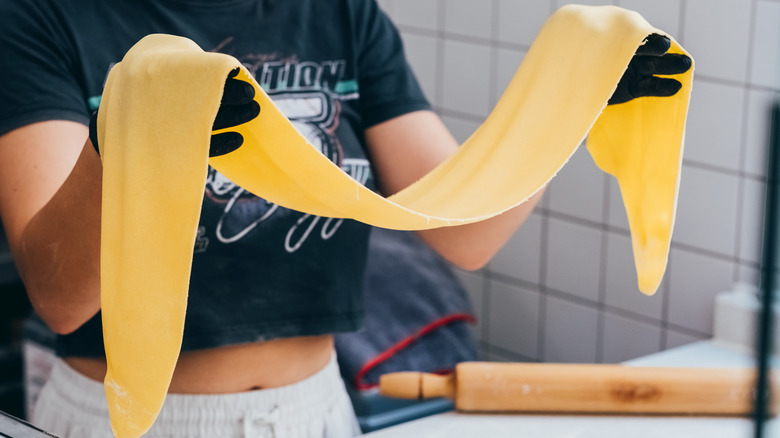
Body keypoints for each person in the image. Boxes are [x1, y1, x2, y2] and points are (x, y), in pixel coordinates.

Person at [0, 0, 691, 437]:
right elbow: (61, 299)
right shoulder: (42, 18)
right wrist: (126, 143)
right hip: (125, 424)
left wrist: (567, 105)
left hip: (316, 413)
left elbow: (464, 230)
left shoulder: (342, 12)